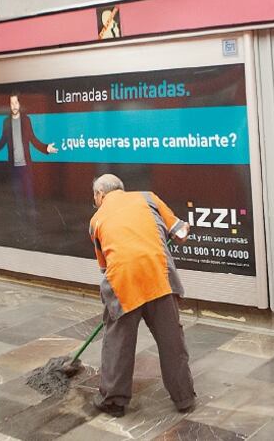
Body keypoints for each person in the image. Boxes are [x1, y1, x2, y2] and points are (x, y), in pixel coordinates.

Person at [88, 174, 195, 417]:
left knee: (118, 343)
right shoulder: (148, 198)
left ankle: (114, 401)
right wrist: (179, 231)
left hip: (124, 283)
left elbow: (105, 267)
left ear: (100, 195)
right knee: (171, 341)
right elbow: (181, 234)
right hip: (157, 276)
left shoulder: (95, 221)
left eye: (94, 197)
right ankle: (184, 398)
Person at [0, 94, 57, 221]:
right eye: (12, 104)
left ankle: (31, 212)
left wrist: (46, 148)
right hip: (13, 164)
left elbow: (33, 139)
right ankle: (20, 214)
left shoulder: (26, 120)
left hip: (25, 163)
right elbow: (2, 141)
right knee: (16, 191)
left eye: (16, 103)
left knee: (28, 189)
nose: (14, 106)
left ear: (19, 104)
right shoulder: (6, 122)